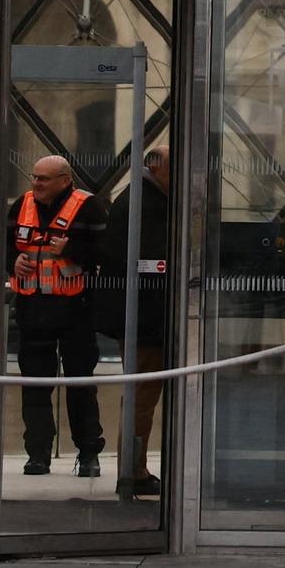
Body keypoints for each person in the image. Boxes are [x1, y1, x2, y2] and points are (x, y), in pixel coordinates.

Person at [11, 154, 108, 478]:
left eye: (44, 178)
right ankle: (37, 455)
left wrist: (70, 251)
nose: (36, 183)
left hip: (76, 311)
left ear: (65, 180)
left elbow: (108, 253)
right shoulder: (20, 205)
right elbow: (0, 246)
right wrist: (13, 262)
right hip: (31, 309)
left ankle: (88, 453)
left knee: (80, 384)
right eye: (34, 176)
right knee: (35, 386)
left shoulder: (90, 207)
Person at [101, 146, 171, 498]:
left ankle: (134, 466)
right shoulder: (146, 206)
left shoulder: (135, 199)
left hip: (141, 316)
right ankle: (134, 469)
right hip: (147, 319)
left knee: (141, 395)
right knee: (142, 396)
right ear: (158, 170)